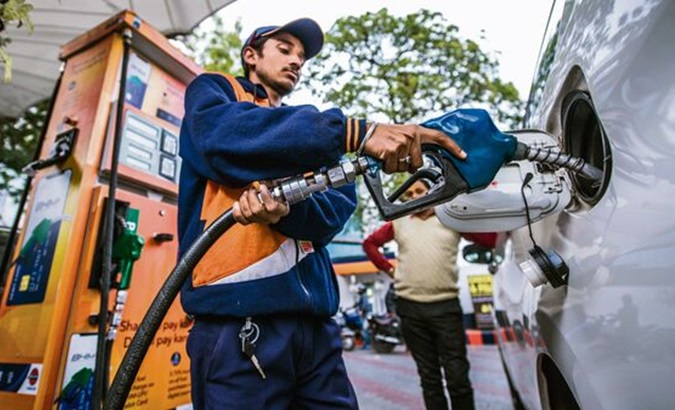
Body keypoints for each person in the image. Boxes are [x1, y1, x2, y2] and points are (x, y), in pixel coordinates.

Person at [178, 17, 466, 409]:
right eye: (284, 49)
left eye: (301, 56)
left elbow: (335, 210)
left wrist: (283, 212)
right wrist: (355, 133)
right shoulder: (217, 92)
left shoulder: (311, 132)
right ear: (250, 55)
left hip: (315, 330)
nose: (296, 60)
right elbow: (221, 140)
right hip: (238, 326)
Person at [363, 179, 491, 410]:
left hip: (446, 307)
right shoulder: (399, 221)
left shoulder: (450, 217)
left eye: (420, 191)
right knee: (429, 377)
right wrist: (390, 269)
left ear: (431, 192)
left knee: (457, 377)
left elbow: (489, 239)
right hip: (410, 308)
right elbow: (370, 244)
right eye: (410, 194)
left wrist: (468, 205)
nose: (415, 197)